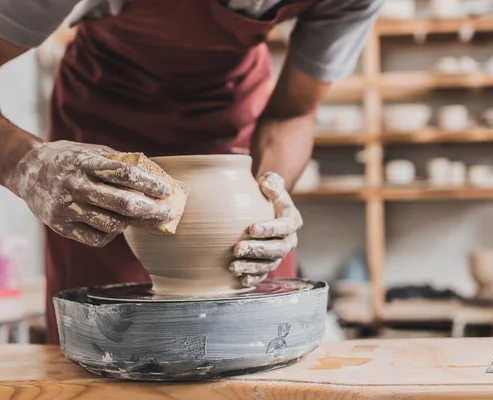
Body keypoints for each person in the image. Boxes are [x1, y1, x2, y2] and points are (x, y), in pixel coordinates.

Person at [0, 0, 383, 344]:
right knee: (100, 340)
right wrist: (24, 162)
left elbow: (294, 111)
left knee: (255, 335)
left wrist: (266, 201)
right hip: (106, 116)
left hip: (232, 118)